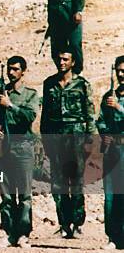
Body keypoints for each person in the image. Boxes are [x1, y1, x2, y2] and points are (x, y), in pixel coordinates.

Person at [40, 48, 96, 239]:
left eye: (65, 59)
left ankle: (78, 222)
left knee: (77, 180)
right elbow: (45, 114)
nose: (61, 62)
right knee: (58, 182)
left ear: (73, 62)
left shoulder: (82, 85)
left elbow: (89, 113)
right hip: (56, 135)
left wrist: (91, 140)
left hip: (76, 134)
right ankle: (64, 223)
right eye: (59, 58)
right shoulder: (49, 84)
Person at [0, 56, 39, 248]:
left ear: (23, 71)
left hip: (22, 146)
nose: (11, 73)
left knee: (24, 194)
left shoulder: (30, 94)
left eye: (16, 69)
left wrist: (11, 106)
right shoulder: (0, 94)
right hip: (4, 148)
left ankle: (23, 233)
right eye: (10, 69)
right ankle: (9, 232)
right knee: (7, 194)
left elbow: (29, 116)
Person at [96, 55, 124, 249]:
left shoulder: (115, 101)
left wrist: (120, 108)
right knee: (111, 195)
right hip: (112, 150)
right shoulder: (109, 96)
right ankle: (113, 237)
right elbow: (101, 120)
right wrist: (104, 132)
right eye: (119, 71)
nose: (121, 75)